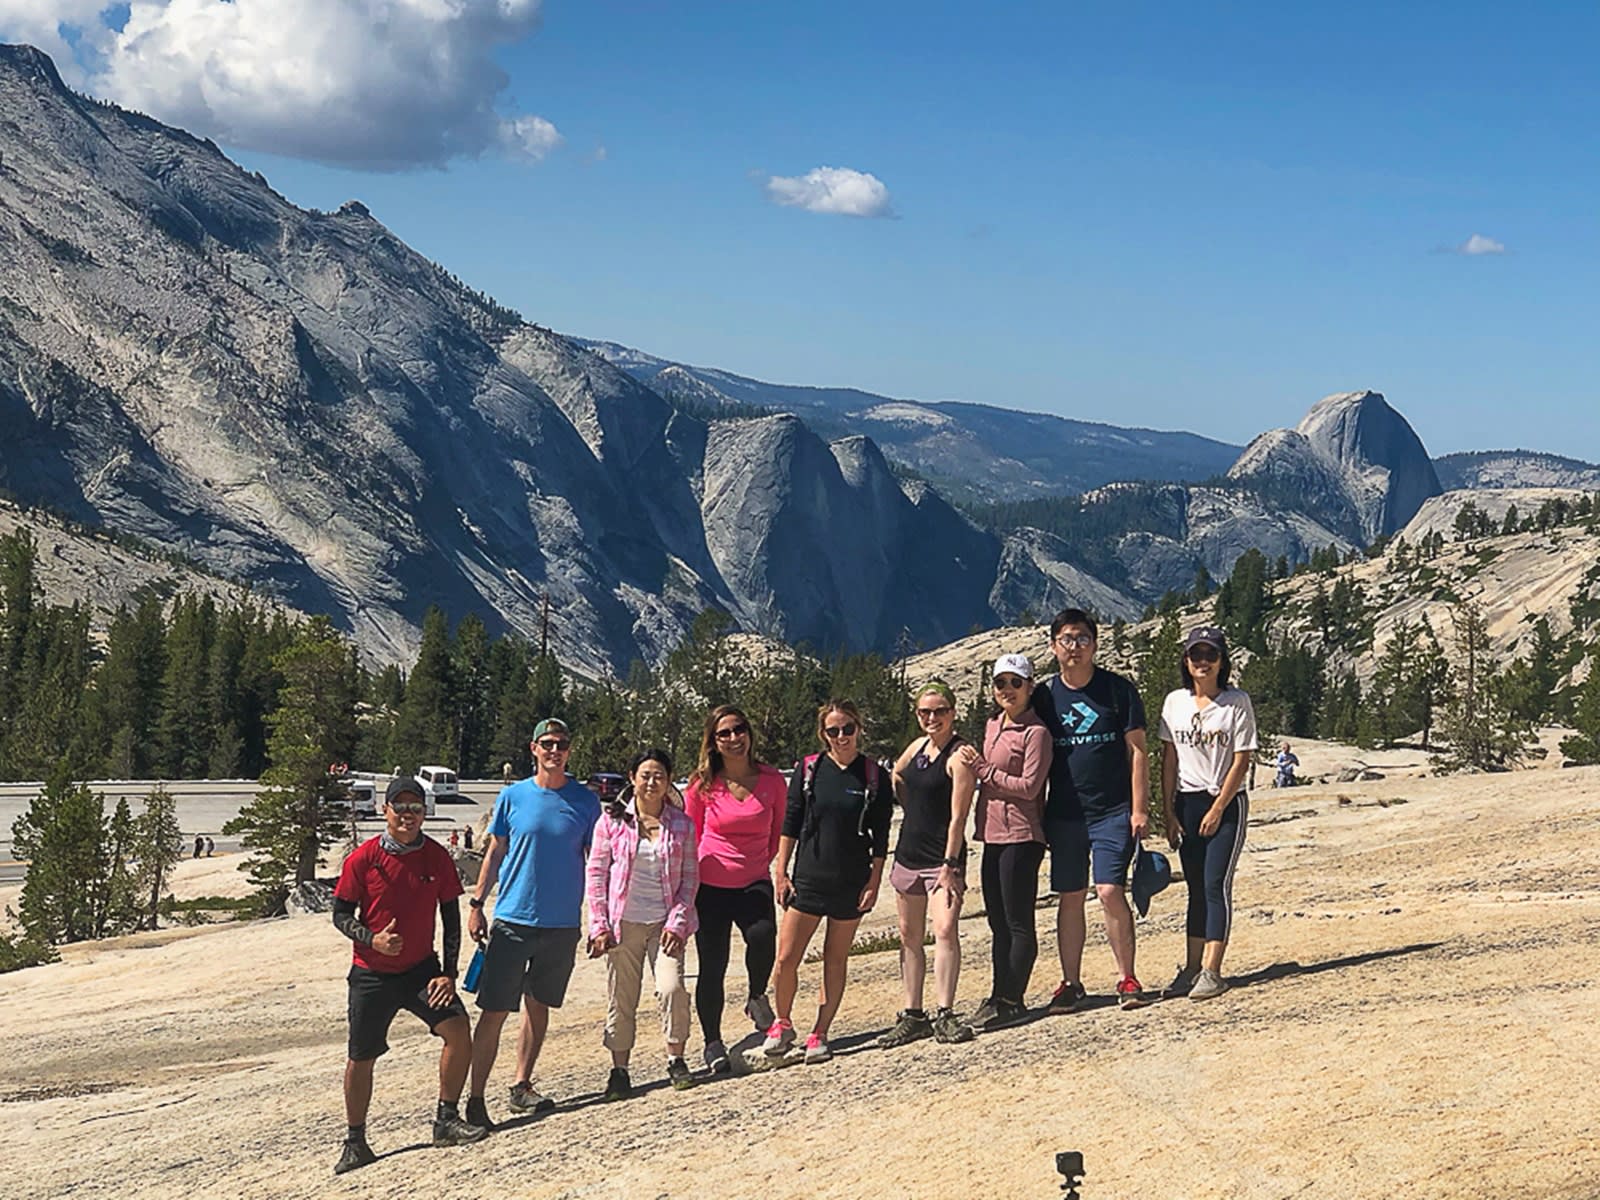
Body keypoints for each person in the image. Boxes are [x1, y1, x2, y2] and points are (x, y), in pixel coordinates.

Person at [329, 776, 485, 1174]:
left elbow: (451, 918)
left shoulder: (435, 856)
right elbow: (340, 914)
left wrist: (449, 974)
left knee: (457, 1030)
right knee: (361, 1056)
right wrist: (372, 939)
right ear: (386, 811)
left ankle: (445, 1120)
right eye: (399, 807)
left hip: (421, 971)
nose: (407, 815)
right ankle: (355, 1141)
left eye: (415, 807)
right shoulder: (363, 859)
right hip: (371, 972)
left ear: (424, 813)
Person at [464, 718, 601, 1129]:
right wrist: (476, 903)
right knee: (494, 1010)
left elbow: (597, 864)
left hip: (561, 924)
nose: (554, 751)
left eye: (561, 744)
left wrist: (599, 919)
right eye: (547, 744)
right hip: (512, 919)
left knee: (538, 1006)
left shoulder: (586, 802)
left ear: (569, 750)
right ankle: (474, 1098)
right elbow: (494, 853)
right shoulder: (512, 797)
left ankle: (522, 1085)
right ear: (533, 749)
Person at [1030, 608, 1152, 1013]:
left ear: (1095, 644)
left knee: (1109, 890)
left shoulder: (1118, 691)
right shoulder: (1044, 697)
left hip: (1111, 811)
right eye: (1067, 639)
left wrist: (1139, 809)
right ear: (1052, 646)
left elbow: (1137, 751)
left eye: (1083, 638)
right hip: (1064, 814)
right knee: (1070, 895)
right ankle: (1071, 982)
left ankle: (1127, 975)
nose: (1075, 647)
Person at [766, 700, 893, 1063]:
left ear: (859, 728)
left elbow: (881, 835)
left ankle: (820, 1032)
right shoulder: (809, 769)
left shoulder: (873, 776)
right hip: (808, 879)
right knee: (787, 957)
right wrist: (781, 871)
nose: (842, 737)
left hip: (850, 882)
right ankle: (782, 1022)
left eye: (848, 729)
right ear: (823, 734)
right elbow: (790, 822)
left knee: (835, 960)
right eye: (833, 731)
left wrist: (874, 880)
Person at [585, 748, 699, 1098]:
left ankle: (675, 1057)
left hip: (664, 924)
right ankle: (619, 1070)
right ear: (632, 778)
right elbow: (597, 874)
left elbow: (690, 880)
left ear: (668, 782)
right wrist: (599, 925)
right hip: (624, 925)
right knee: (622, 997)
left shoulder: (682, 824)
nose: (652, 782)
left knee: (672, 988)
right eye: (645, 775)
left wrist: (678, 923)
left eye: (659, 776)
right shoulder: (612, 822)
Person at [683, 704, 787, 1074]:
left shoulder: (773, 780)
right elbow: (690, 837)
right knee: (713, 965)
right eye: (723, 734)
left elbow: (778, 833)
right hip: (710, 886)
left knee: (763, 936)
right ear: (713, 742)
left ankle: (757, 997)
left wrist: (758, 864)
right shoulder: (701, 785)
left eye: (738, 729)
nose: (733, 739)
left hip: (754, 880)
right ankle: (712, 1041)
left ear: (749, 732)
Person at [1159, 627, 1257, 1002]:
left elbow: (1241, 759)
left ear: (1221, 661)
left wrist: (1218, 808)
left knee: (1216, 884)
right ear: (1186, 660)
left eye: (1210, 655)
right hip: (1188, 801)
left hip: (1225, 803)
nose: (1203, 662)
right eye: (1196, 655)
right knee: (1195, 888)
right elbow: (1169, 759)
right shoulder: (1174, 703)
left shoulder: (1236, 702)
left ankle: (1213, 970)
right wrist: (1168, 810)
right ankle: (1192, 966)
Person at [878, 681, 978, 1047]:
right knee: (908, 936)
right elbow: (897, 776)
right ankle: (913, 1012)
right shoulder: (917, 747)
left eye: (939, 711)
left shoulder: (960, 756)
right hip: (908, 853)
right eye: (925, 712)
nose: (932, 718)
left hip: (941, 859)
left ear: (953, 712)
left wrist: (951, 864)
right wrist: (912, 808)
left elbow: (958, 816)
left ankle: (945, 1012)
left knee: (946, 929)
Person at [962, 654, 1052, 1029]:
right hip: (992, 835)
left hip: (1022, 834)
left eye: (1016, 683)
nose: (1007, 690)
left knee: (1017, 921)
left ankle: (1014, 999)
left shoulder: (1037, 734)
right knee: (998, 921)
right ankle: (1000, 993)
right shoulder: (993, 725)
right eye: (1001, 683)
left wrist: (984, 770)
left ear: (1030, 686)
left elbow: (1031, 787)